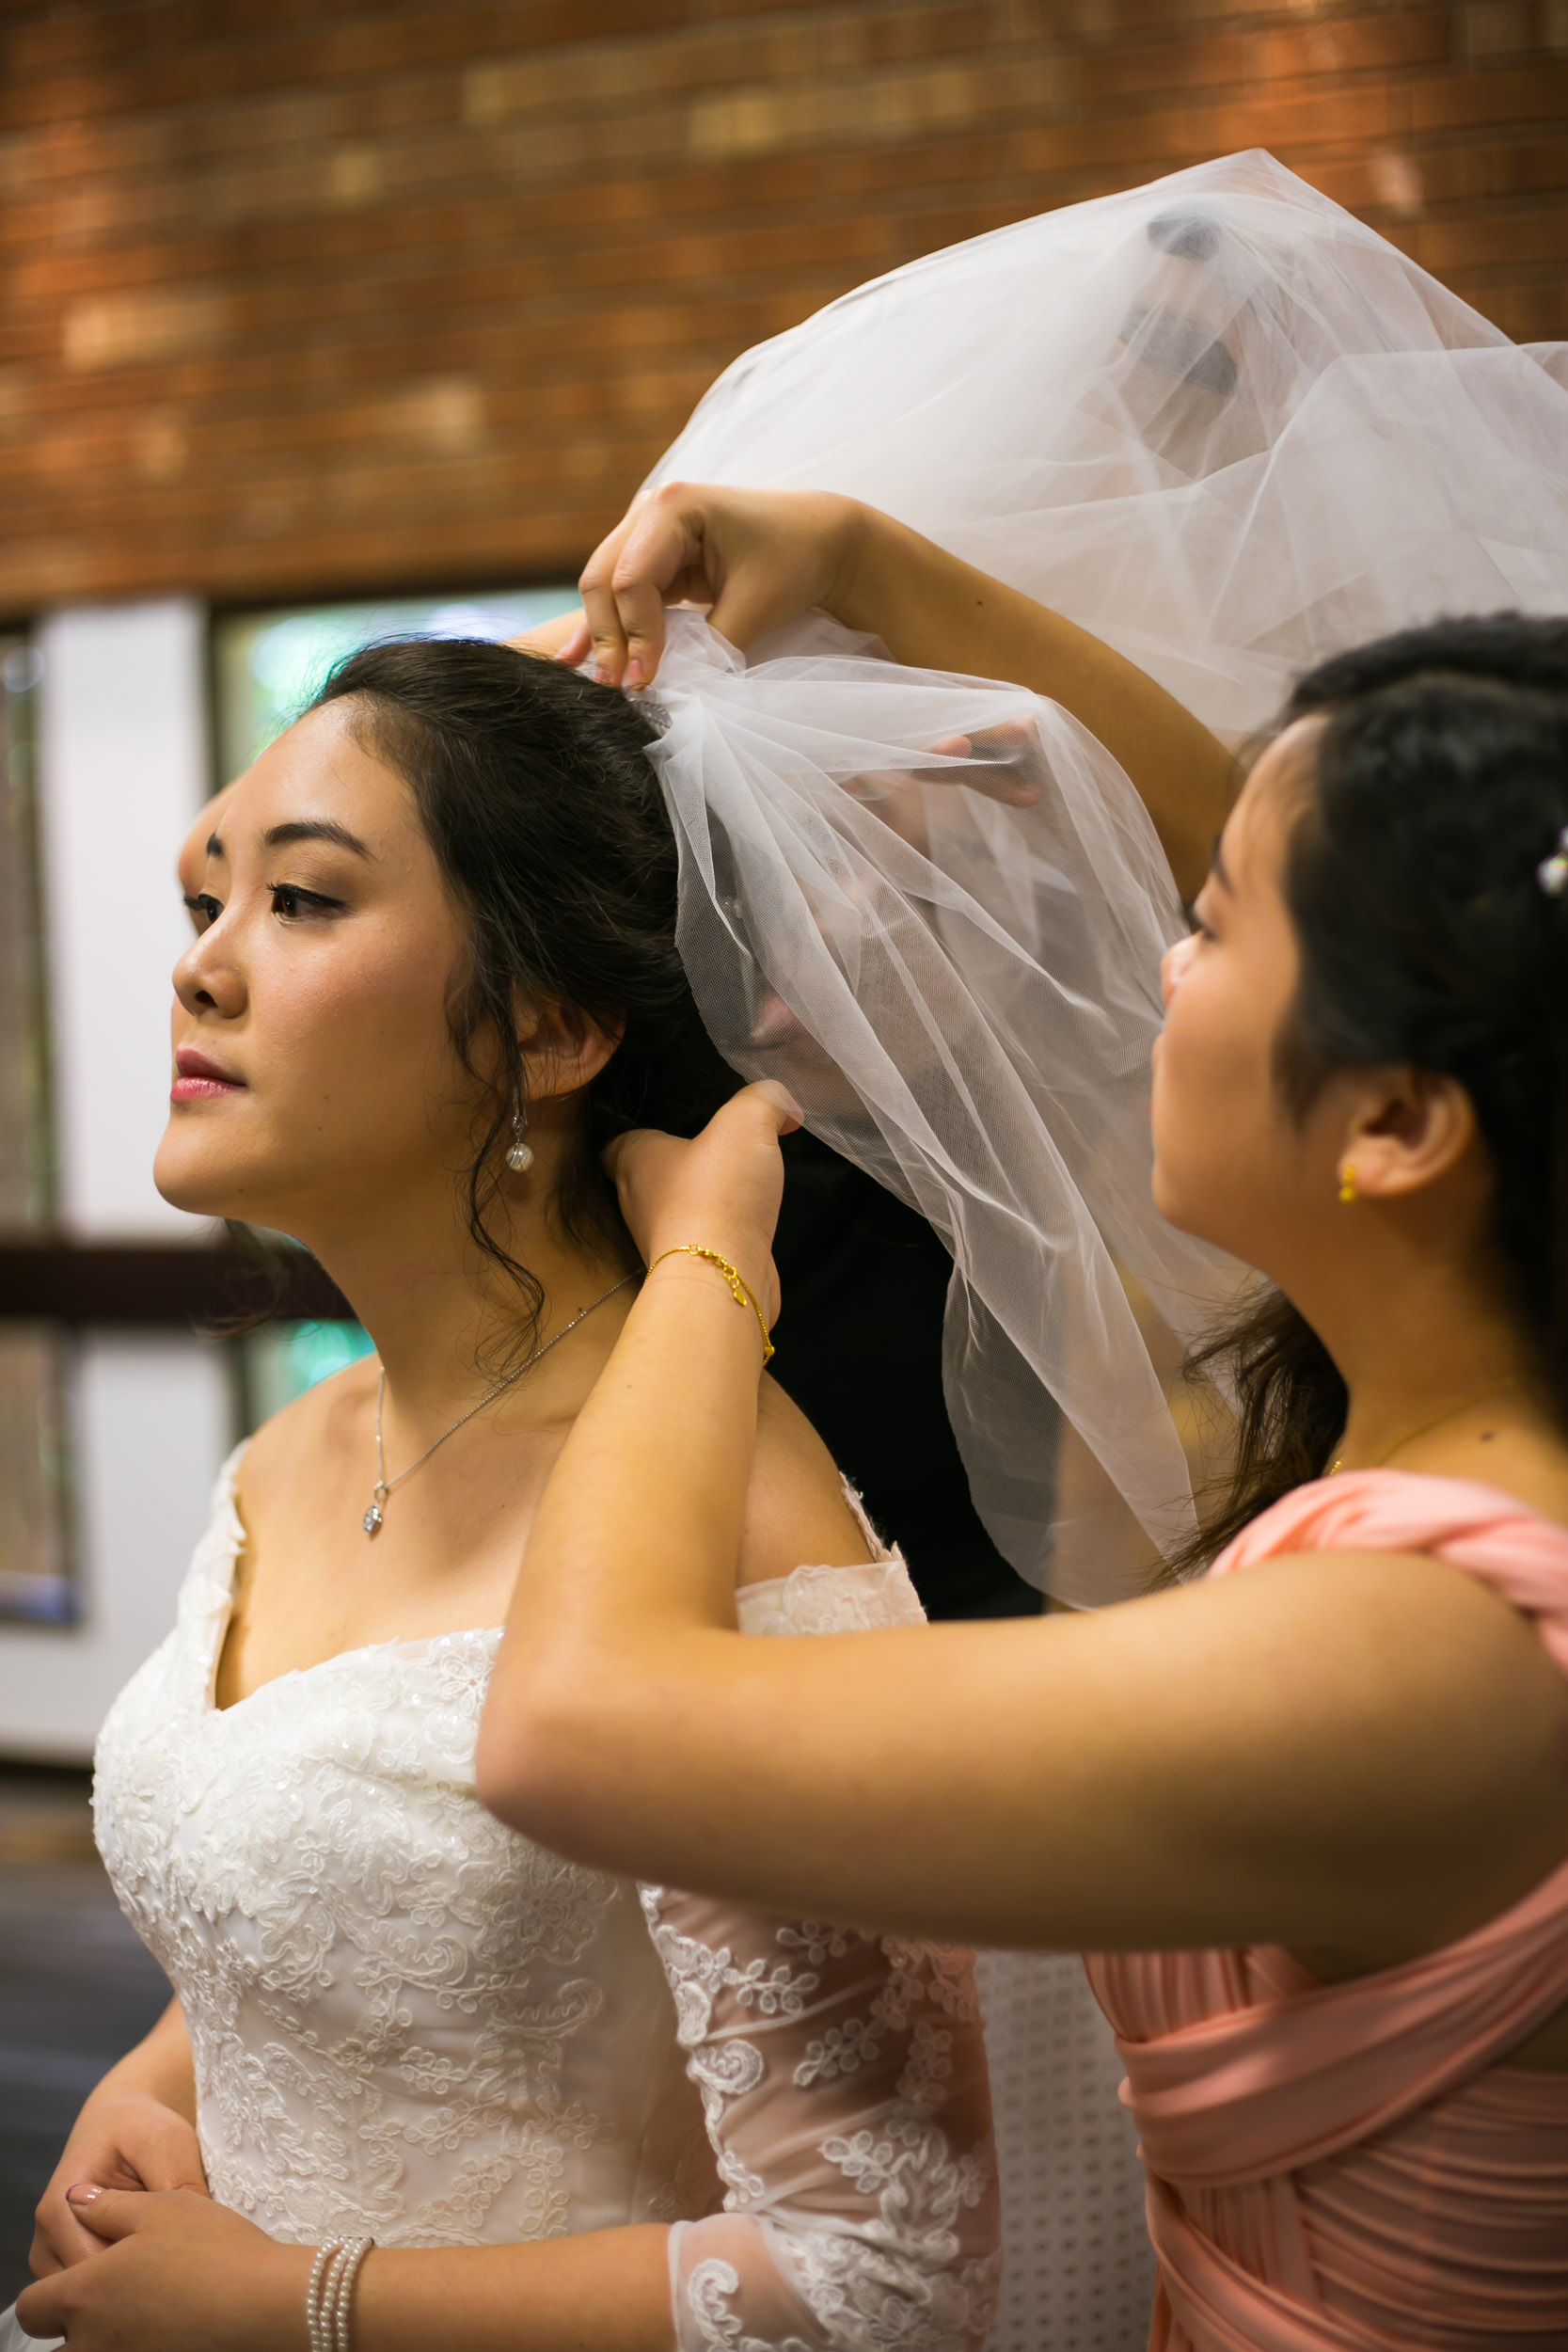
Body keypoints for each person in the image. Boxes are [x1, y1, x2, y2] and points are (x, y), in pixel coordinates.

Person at [451, 493, 1568, 2347]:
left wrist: (707, 1259)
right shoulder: (1460, 1425)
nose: (1148, 958)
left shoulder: (1438, 1645)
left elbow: (573, 1728)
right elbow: (1358, 894)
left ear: (1395, 1123)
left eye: (1207, 929)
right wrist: (865, 562)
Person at [7, 640, 1003, 2352]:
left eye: (306, 903)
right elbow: (336, 1906)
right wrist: (162, 2071)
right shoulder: (288, 1462)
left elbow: (894, 2268)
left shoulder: (734, 1511)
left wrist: (303, 2303)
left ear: (545, 1026)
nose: (204, 974)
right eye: (203, 906)